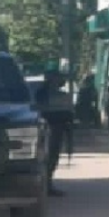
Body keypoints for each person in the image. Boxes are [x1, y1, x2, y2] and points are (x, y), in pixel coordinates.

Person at [35, 69, 74, 197]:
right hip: (46, 129)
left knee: (53, 157)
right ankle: (44, 186)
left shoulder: (62, 95)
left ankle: (48, 184)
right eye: (56, 78)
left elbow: (69, 112)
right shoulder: (41, 94)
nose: (60, 81)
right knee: (46, 157)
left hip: (58, 128)